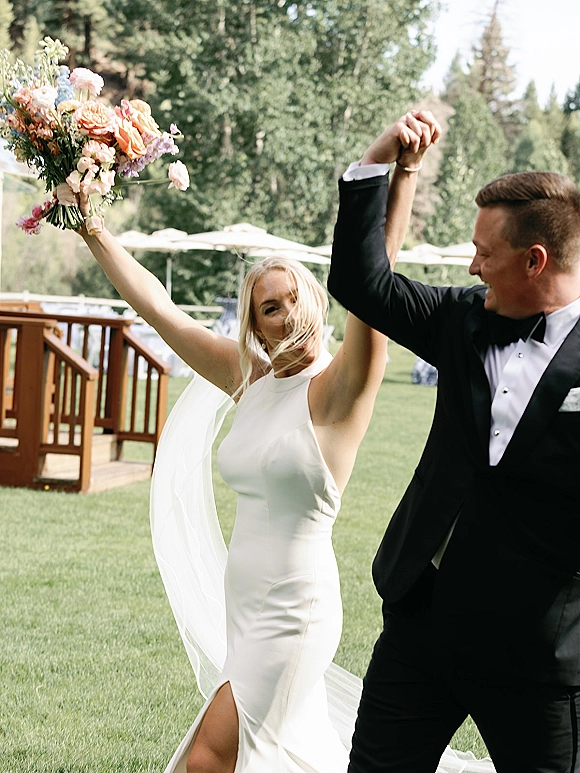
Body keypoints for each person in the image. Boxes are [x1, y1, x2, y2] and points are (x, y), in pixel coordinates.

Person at [74, 109, 440, 773]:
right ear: (258, 328)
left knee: (209, 758)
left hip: (294, 612)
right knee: (270, 757)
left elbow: (377, 291)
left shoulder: (337, 390)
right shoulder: (249, 378)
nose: (288, 311)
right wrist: (91, 226)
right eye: (270, 306)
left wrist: (401, 173)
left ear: (315, 303)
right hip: (244, 608)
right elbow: (159, 307)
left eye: (295, 296)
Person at [328, 125, 580, 772]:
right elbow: (365, 284)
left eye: (483, 251)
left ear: (535, 262)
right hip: (421, 626)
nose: (471, 265)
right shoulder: (461, 319)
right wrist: (377, 163)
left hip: (536, 654)